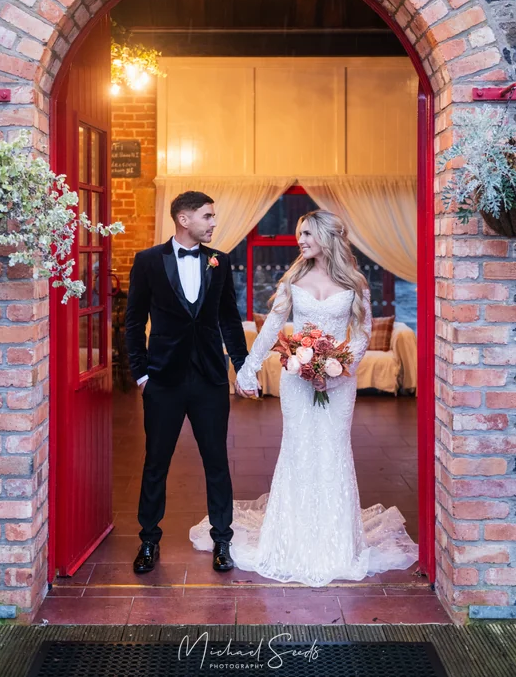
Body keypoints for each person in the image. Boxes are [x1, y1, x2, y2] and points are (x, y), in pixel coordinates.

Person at [190, 209, 418, 586]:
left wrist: (341, 366)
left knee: (333, 450)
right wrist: (246, 370)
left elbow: (362, 333)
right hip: (297, 379)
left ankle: (337, 545)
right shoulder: (293, 278)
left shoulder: (356, 281)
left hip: (339, 383)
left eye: (307, 234)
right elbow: (272, 329)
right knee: (298, 450)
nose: (300, 240)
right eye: (299, 234)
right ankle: (290, 541)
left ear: (327, 236)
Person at [125, 191, 253, 574]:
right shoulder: (148, 261)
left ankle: (222, 542)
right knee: (155, 462)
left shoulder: (220, 260)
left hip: (210, 379)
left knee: (216, 461)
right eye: (208, 216)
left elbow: (229, 319)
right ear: (184, 219)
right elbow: (133, 322)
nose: (214, 223)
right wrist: (141, 374)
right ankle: (148, 541)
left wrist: (243, 369)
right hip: (162, 380)